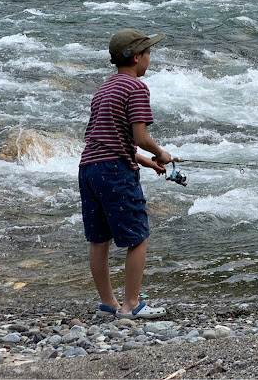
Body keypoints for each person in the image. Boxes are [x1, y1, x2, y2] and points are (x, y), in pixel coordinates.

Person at [78, 28, 172, 319]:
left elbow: (108, 139)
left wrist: (145, 161)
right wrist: (161, 153)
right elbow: (140, 136)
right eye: (147, 53)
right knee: (138, 237)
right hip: (115, 171)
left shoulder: (104, 89)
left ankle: (108, 304)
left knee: (99, 239)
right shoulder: (136, 88)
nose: (149, 58)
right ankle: (131, 305)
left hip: (89, 168)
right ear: (135, 58)